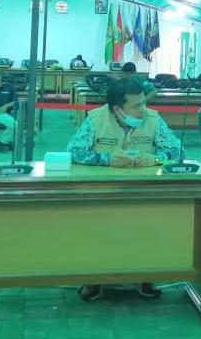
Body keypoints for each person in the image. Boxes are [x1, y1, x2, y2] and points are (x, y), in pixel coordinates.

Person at [68, 78, 182, 301]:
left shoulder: (154, 120)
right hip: (103, 193)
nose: (143, 109)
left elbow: (178, 151)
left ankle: (145, 275)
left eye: (144, 103)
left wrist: (156, 159)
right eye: (137, 105)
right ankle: (93, 277)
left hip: (143, 192)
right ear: (117, 109)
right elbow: (74, 151)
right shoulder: (96, 119)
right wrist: (105, 159)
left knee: (149, 227)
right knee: (96, 228)